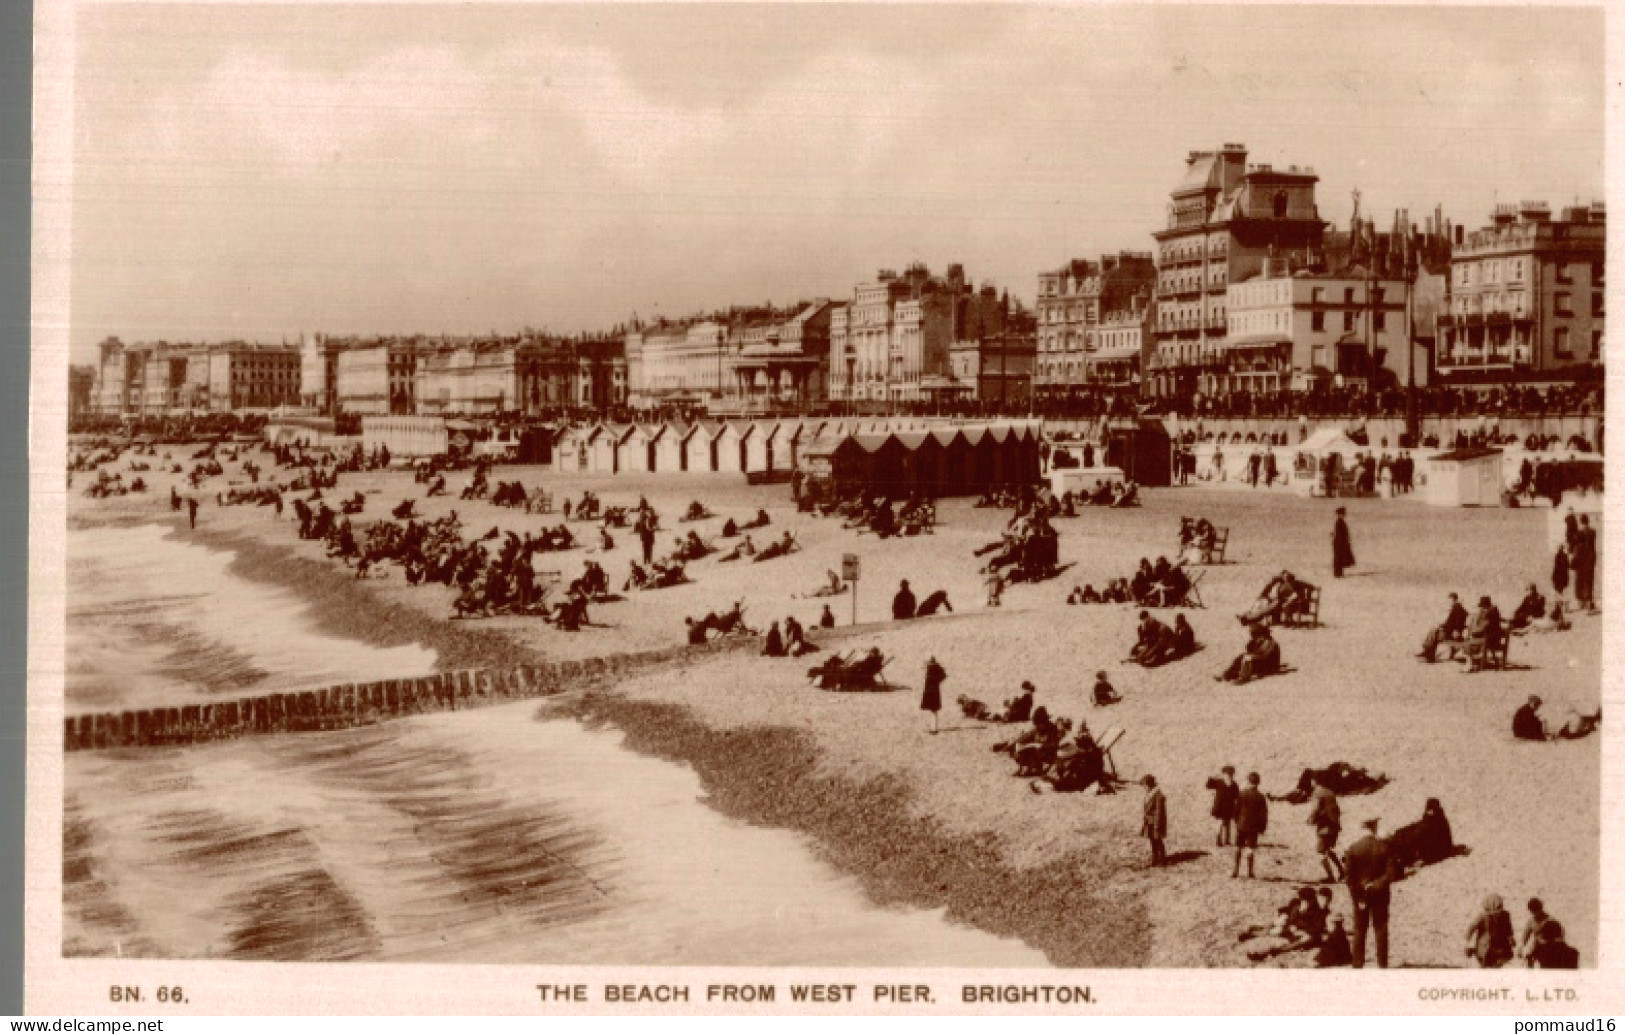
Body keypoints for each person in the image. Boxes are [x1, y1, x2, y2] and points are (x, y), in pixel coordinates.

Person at [1343, 817, 1395, 969]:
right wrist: (1375, 885)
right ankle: (1382, 964)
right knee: (1381, 928)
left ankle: (1358, 963)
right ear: (1375, 826)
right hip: (1380, 894)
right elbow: (1391, 873)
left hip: (1361, 895)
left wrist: (1359, 894)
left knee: (1359, 929)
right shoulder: (1384, 847)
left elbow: (1349, 878)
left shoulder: (1353, 848)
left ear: (1362, 827)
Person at [1217, 623, 1281, 685]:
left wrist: (1250, 656)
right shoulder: (1258, 641)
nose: (1253, 636)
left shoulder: (1269, 642)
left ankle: (1243, 677)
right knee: (1241, 657)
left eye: (1254, 634)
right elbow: (1250, 650)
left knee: (1248, 660)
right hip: (1263, 662)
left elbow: (1263, 655)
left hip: (1270, 666)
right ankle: (1227, 675)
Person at [1309, 776, 1345, 883]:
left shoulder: (1317, 792)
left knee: (1320, 852)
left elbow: (1316, 808)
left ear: (1314, 781)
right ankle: (1342, 871)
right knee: (1329, 850)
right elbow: (1337, 809)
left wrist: (1311, 819)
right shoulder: (1330, 792)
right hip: (1335, 825)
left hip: (1325, 827)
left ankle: (1330, 876)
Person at [1465, 894, 1516, 968]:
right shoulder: (1482, 916)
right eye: (1494, 913)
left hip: (1501, 947)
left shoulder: (1505, 915)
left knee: (1497, 966)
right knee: (1485, 968)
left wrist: (1511, 938)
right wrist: (1467, 944)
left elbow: (1508, 928)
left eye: (1499, 912)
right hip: (1485, 948)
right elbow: (1470, 929)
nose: (1497, 914)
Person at [1234, 772, 1269, 877]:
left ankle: (1235, 870)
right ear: (1258, 783)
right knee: (1250, 848)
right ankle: (1250, 872)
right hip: (1253, 826)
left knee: (1238, 847)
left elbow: (1236, 810)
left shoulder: (1242, 794)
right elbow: (1263, 814)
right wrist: (1262, 827)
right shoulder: (1260, 797)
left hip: (1241, 824)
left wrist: (1237, 821)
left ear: (1248, 781)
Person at [1418, 592, 1469, 662]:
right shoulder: (1458, 608)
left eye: (1450, 601)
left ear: (1454, 600)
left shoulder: (1457, 609)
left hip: (1451, 634)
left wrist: (1443, 627)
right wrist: (1442, 626)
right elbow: (1452, 623)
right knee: (1434, 631)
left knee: (1433, 631)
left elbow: (1455, 625)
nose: (1449, 603)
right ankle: (1428, 651)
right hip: (1451, 632)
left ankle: (1428, 652)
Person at [1206, 766, 1240, 848]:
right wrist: (1212, 777)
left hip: (1229, 807)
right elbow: (1208, 785)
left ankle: (1227, 840)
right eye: (1227, 774)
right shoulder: (1219, 782)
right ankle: (1218, 839)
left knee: (1227, 823)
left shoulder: (1234, 784)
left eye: (1230, 775)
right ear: (1223, 775)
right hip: (1220, 807)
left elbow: (1237, 796)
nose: (1229, 776)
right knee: (1220, 823)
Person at [1141, 774, 1168, 868]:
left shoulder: (1158, 795)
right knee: (1152, 840)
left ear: (1149, 785)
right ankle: (1155, 857)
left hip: (1156, 822)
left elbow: (1159, 812)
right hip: (1149, 822)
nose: (1144, 788)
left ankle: (1162, 859)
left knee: (1158, 841)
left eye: (1145, 786)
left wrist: (1157, 825)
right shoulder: (1149, 794)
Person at [920, 656, 946, 733]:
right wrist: (938, 682)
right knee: (934, 711)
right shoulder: (937, 668)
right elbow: (943, 676)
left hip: (930, 692)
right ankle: (933, 728)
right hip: (935, 691)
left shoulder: (931, 669)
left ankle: (933, 729)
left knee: (933, 711)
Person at [1332, 506, 1355, 578]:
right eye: (1343, 513)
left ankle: (1339, 573)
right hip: (1340, 543)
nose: (1344, 515)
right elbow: (1340, 533)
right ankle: (1337, 573)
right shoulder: (1339, 522)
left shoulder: (1340, 522)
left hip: (1340, 542)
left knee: (1339, 557)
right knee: (1338, 558)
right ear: (1340, 514)